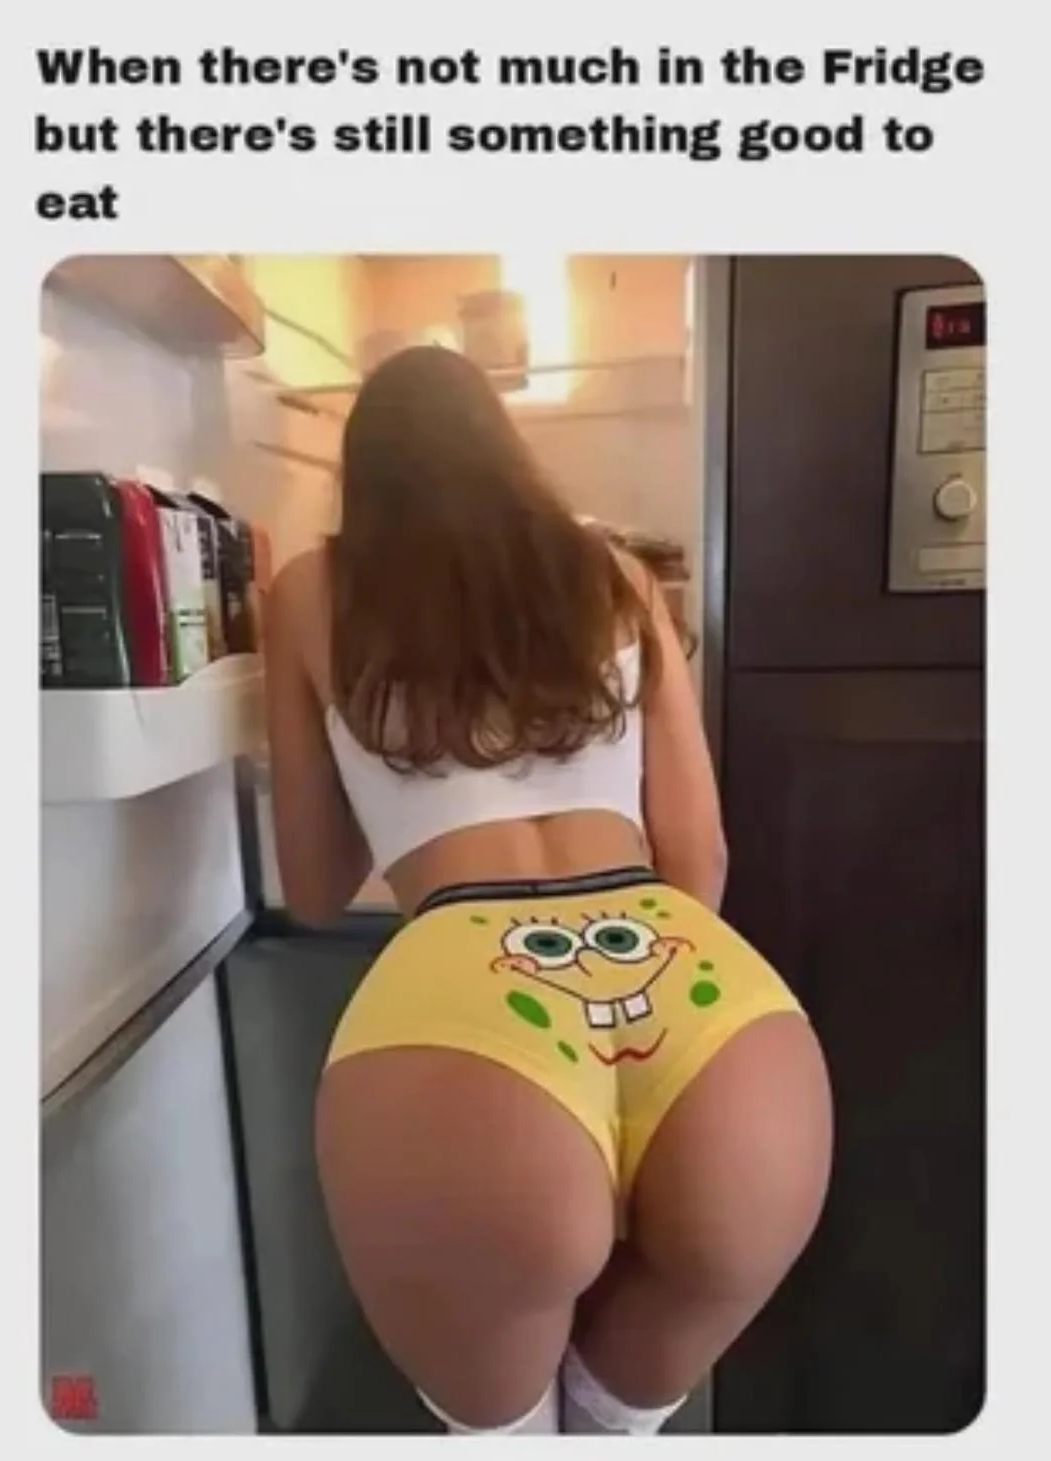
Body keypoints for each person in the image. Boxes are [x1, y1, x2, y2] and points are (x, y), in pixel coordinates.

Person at [264, 345, 833, 1437]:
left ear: (362, 472)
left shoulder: (308, 591)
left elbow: (317, 887)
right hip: (697, 1000)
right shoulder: (612, 577)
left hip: (469, 997)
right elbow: (700, 856)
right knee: (616, 1427)